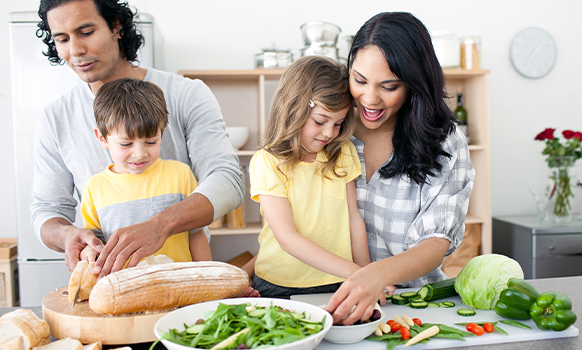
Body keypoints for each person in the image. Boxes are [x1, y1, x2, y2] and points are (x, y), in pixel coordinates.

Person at [33, 0, 244, 277]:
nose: (75, 51)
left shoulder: (186, 94)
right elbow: (47, 210)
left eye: (86, 32)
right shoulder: (54, 118)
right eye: (62, 39)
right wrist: (66, 235)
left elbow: (228, 180)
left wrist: (161, 225)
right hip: (114, 282)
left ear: (116, 27)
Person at [324, 12, 475, 324]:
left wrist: (375, 276)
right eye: (359, 80)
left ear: (414, 83)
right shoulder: (330, 131)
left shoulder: (444, 143)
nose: (369, 98)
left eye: (389, 86)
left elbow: (435, 242)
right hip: (330, 302)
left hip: (414, 306)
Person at [247, 55, 371, 297]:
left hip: (338, 281)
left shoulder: (342, 152)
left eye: (338, 123)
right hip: (279, 284)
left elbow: (354, 219)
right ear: (293, 110)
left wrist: (367, 273)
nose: (329, 133)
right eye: (320, 121)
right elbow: (288, 238)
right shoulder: (267, 161)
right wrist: (357, 273)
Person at [79, 78, 210, 264]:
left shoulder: (181, 175)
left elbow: (196, 235)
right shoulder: (94, 187)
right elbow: (95, 244)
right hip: (124, 289)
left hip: (180, 287)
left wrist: (206, 280)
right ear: (102, 138)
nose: (139, 154)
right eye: (126, 144)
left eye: (150, 142)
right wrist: (88, 253)